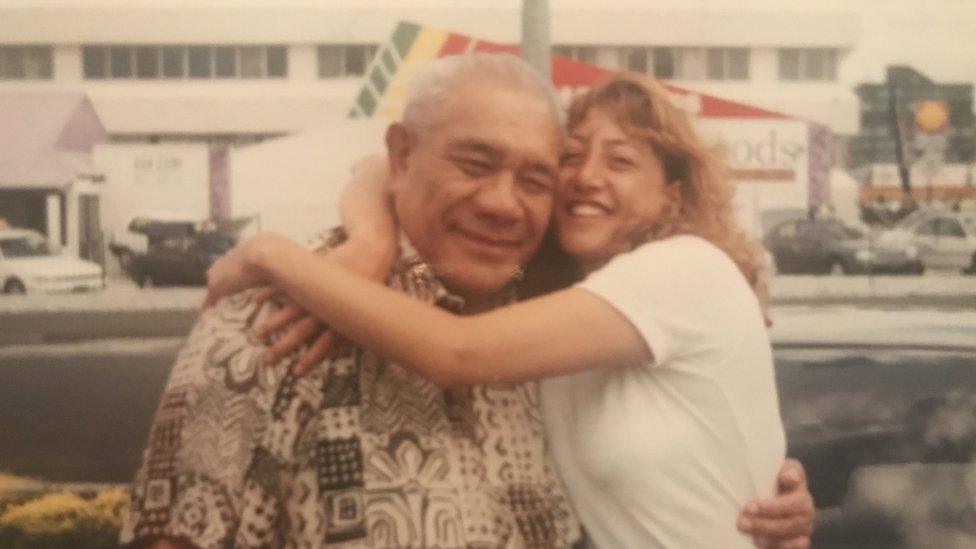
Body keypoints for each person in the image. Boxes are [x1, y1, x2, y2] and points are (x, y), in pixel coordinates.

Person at [126, 53, 812, 549]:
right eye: (476, 163)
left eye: (536, 176)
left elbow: (454, 353)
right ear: (403, 156)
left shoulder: (570, 314)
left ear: (675, 196)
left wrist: (272, 247)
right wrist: (365, 240)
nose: (502, 202)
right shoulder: (275, 319)